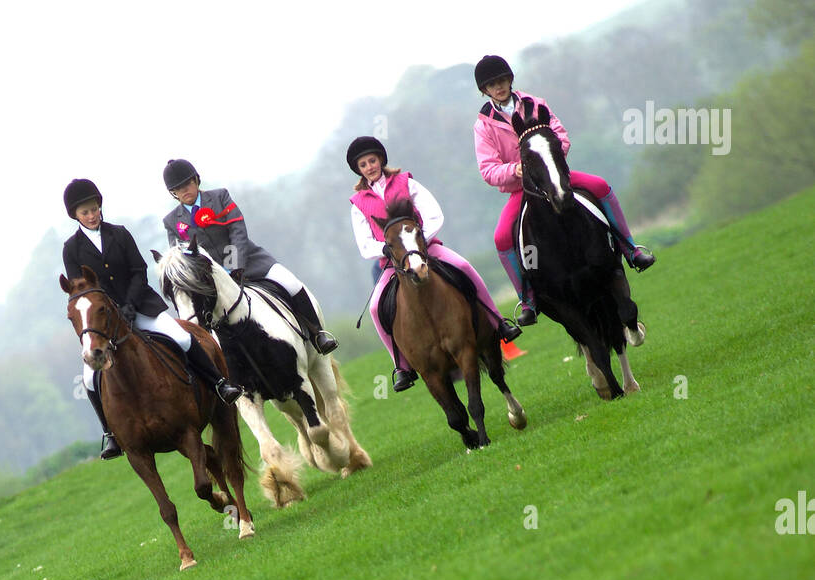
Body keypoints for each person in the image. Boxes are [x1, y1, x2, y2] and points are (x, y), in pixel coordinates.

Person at [62, 178, 238, 460]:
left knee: (181, 336)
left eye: (94, 209)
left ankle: (219, 384)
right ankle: (110, 433)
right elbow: (82, 289)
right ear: (76, 216)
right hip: (106, 320)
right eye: (85, 212)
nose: (92, 215)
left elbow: (138, 270)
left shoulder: (119, 234)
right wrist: (114, 311)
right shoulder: (71, 249)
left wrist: (130, 304)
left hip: (140, 307)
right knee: (89, 377)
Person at [473, 55, 655, 326]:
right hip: (522, 189)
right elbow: (488, 170)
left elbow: (560, 136)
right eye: (491, 84)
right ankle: (528, 298)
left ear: (510, 79)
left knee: (600, 186)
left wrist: (547, 163)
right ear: (484, 90)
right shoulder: (483, 125)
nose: (498, 87)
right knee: (502, 238)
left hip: (555, 175)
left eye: (501, 80)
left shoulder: (535, 104)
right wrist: (515, 170)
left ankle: (630, 249)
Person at [347, 135, 521, 392]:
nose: (369, 167)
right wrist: (387, 249)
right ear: (358, 170)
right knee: (374, 307)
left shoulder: (406, 182)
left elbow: (433, 214)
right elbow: (364, 244)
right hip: (393, 261)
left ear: (381, 159)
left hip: (426, 248)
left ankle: (498, 322)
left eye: (372, 160)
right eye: (363, 165)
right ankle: (401, 366)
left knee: (463, 267)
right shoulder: (358, 203)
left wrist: (419, 244)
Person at [162, 158, 337, 355]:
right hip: (212, 282)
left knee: (291, 283)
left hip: (251, 262)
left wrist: (233, 266)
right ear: (173, 193)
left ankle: (318, 335)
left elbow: (237, 230)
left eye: (187, 184)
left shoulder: (220, 197)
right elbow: (182, 259)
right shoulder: (171, 221)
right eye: (178, 188)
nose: (184, 191)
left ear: (196, 180)